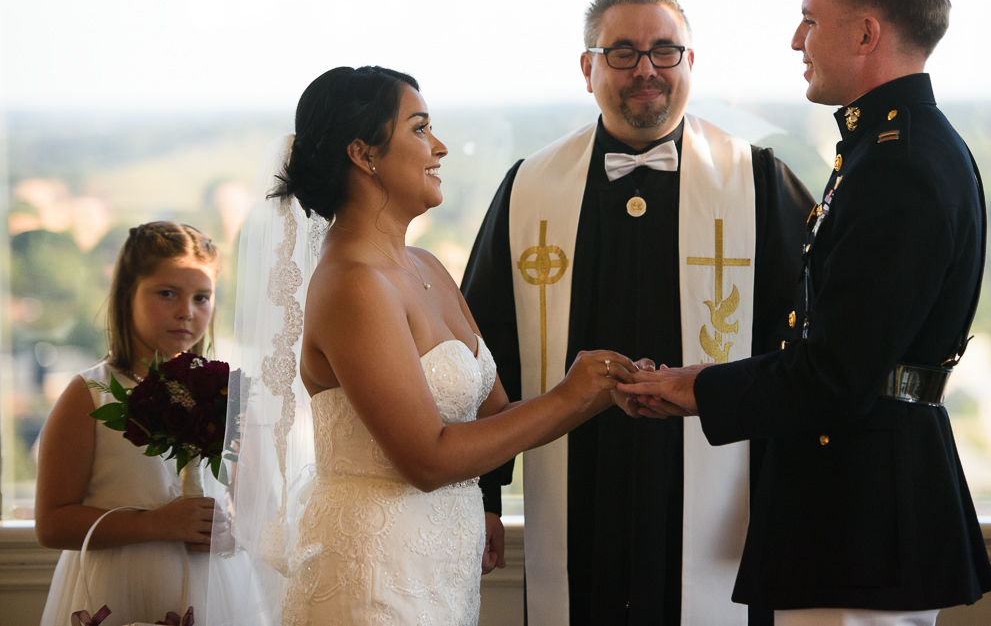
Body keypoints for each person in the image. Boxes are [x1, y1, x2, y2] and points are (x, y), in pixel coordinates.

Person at [621, 0, 991, 625]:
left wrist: (699, 387)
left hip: (859, 513)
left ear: (865, 32)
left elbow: (836, 373)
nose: (797, 39)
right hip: (860, 500)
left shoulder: (898, 165)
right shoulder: (892, 146)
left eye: (810, 20)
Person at [461, 0, 814, 625]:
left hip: (720, 492)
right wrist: (483, 493)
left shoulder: (759, 182)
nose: (645, 68)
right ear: (587, 68)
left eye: (665, 50)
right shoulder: (528, 187)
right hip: (578, 488)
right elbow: (486, 350)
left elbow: (809, 351)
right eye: (621, 52)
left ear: (690, 63)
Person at [236, 65, 635, 625]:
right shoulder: (352, 284)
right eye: (420, 128)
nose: (439, 147)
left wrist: (600, 390)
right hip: (372, 574)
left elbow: (498, 418)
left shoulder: (426, 267)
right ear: (363, 153)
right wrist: (568, 397)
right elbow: (426, 459)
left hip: (443, 571)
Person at [35, 221, 243, 625]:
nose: (186, 311)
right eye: (167, 294)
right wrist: (155, 524)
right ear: (128, 293)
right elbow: (51, 524)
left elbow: (256, 510)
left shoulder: (226, 397)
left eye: (202, 297)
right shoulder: (89, 396)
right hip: (114, 593)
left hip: (209, 593)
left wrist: (228, 533)